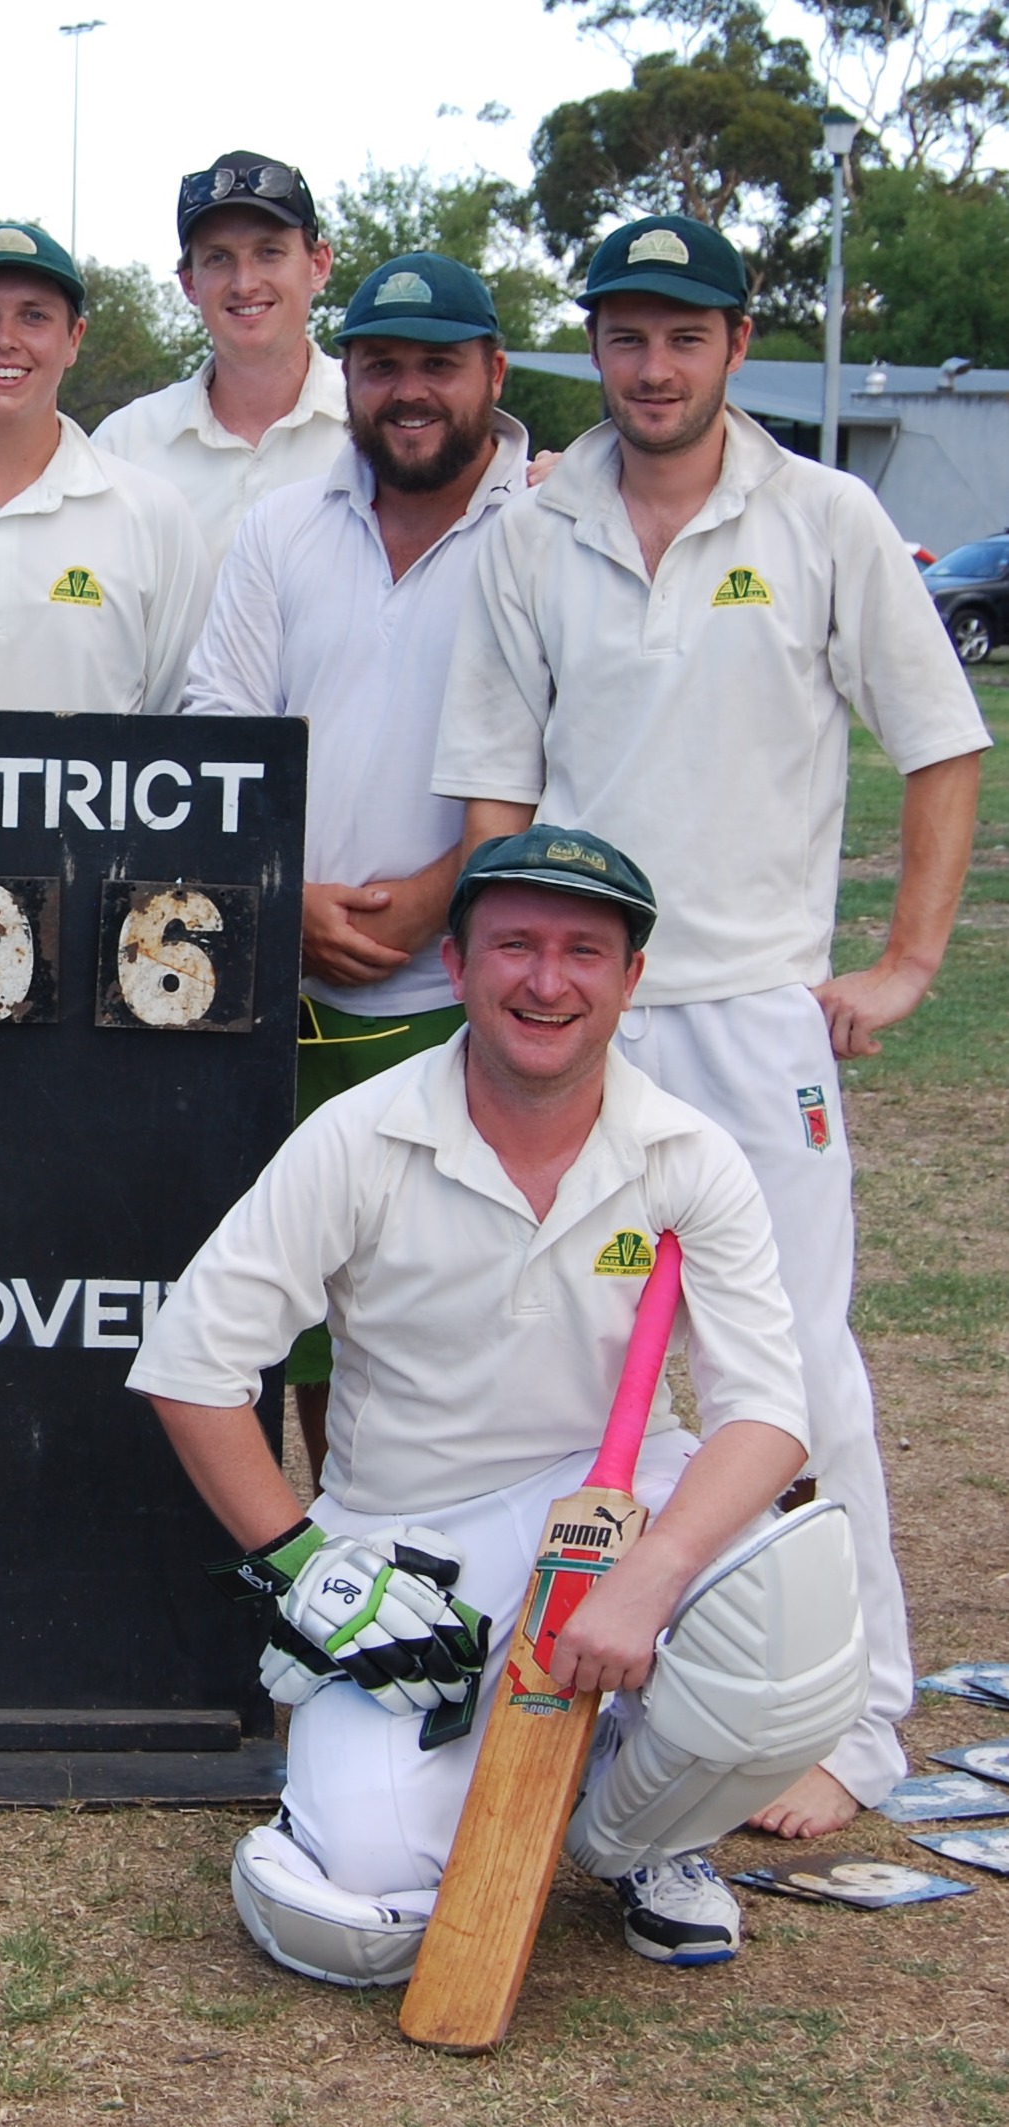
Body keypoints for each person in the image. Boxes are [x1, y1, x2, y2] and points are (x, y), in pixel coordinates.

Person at [435, 214, 992, 1838]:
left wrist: (895, 965)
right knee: (596, 1374)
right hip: (575, 1017)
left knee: (789, 1362)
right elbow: (491, 795)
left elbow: (939, 741)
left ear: (733, 346)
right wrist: (504, 1003)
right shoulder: (531, 537)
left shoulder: (819, 517)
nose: (650, 365)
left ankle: (863, 1717)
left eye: (681, 336)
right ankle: (657, 1686)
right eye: (622, 335)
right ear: (592, 347)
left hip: (752, 1013)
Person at [131, 831, 867, 1984]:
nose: (545, 980)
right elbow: (190, 1365)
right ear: (459, 964)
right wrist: (305, 1565)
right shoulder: (359, 1136)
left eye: (584, 951)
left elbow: (767, 1413)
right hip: (412, 1543)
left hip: (613, 1499)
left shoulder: (688, 1155)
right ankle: (472, 1777)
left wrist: (649, 1576)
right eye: (513, 945)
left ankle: (637, 1839)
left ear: (631, 980)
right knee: (354, 1908)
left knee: (786, 1603)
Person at [181, 253, 530, 1481]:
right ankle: (326, 1608)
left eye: (439, 364)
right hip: (281, 987)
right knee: (297, 1328)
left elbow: (565, 750)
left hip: (459, 995)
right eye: (382, 365)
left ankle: (424, 1602)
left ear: (491, 370)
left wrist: (448, 887)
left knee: (433, 1332)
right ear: (351, 377)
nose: (409, 392)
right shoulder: (281, 526)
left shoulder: (543, 528)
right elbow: (221, 727)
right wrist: (286, 902)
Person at [0, 221, 206, 713]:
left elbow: (178, 722)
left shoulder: (153, 512)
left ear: (73, 339)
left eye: (33, 316)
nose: (5, 339)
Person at [91, 150, 345, 568]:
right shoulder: (124, 445)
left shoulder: (376, 430)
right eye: (219, 258)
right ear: (190, 283)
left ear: (318, 265)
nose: (245, 283)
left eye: (269, 253)